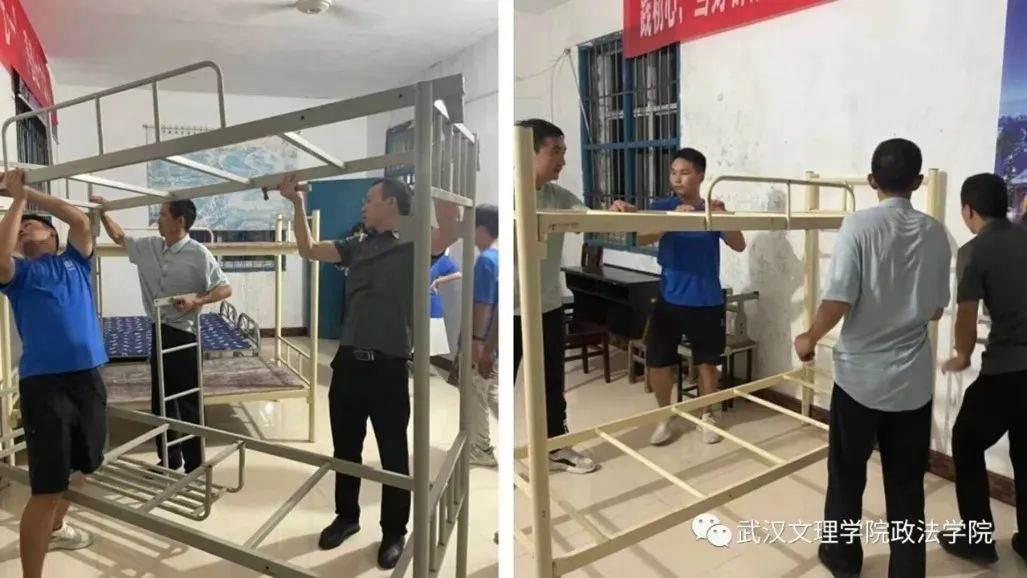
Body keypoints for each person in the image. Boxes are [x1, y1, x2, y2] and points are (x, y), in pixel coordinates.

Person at [271, 173, 458, 570]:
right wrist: (297, 204)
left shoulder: (413, 244)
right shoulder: (356, 246)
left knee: (393, 455)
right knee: (345, 450)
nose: (363, 205)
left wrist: (435, 177)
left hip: (388, 369)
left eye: (369, 199)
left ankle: (394, 532)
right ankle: (347, 517)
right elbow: (307, 249)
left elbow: (450, 230)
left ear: (390, 203)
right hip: (348, 366)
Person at [792, 139, 950, 578]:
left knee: (847, 475)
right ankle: (908, 570)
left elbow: (840, 298)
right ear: (916, 182)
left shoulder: (858, 227)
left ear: (871, 180)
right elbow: (936, 310)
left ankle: (843, 559)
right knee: (907, 484)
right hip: (913, 385)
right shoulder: (936, 233)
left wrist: (809, 336)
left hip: (859, 382)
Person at [0, 170, 108, 578]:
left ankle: (59, 527)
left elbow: (79, 219)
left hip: (88, 378)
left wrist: (28, 193)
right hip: (45, 387)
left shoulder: (75, 263)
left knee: (86, 465)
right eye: (19, 228)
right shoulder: (18, 275)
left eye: (32, 224)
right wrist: (16, 202)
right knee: (46, 488)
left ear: (53, 236)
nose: (24, 228)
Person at [514, 118, 631, 474]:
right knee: (496, 387)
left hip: (547, 307)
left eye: (564, 151)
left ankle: (556, 447)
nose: (562, 160)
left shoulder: (557, 197)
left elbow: (589, 220)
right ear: (527, 152)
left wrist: (613, 213)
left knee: (552, 385)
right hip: (508, 312)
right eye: (555, 151)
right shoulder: (507, 196)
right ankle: (494, 451)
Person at [93, 195, 231, 473]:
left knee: (188, 402)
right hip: (159, 330)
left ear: (179, 221)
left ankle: (195, 465)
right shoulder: (150, 247)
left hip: (184, 335)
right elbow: (119, 237)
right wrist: (103, 211)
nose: (158, 220)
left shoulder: (198, 254)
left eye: (163, 215)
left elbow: (225, 288)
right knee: (161, 401)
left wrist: (197, 300)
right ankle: (169, 459)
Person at [626, 147, 746, 446]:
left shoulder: (712, 208)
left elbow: (739, 244)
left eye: (685, 173)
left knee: (707, 363)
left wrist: (723, 217)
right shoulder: (662, 206)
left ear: (700, 176)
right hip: (669, 298)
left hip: (706, 300)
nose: (677, 179)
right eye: (673, 173)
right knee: (658, 361)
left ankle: (707, 416)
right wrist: (671, 220)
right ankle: (665, 416)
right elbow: (640, 237)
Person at [938, 173, 1027, 564]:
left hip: (1006, 371)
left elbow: (966, 314)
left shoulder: (974, 252)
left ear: (968, 210)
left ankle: (977, 538)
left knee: (966, 440)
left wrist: (962, 354)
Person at [469, 204, 500, 467]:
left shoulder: (486, 261)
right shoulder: (500, 257)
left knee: (476, 393)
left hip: (485, 342)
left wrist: (478, 344)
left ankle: (481, 449)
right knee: (491, 392)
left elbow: (484, 305)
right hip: (495, 342)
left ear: (481, 228)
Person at [428, 251, 461, 356]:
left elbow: (458, 274)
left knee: (430, 336)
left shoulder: (442, 260)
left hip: (431, 300)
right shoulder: (418, 255)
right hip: (413, 299)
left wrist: (438, 280)